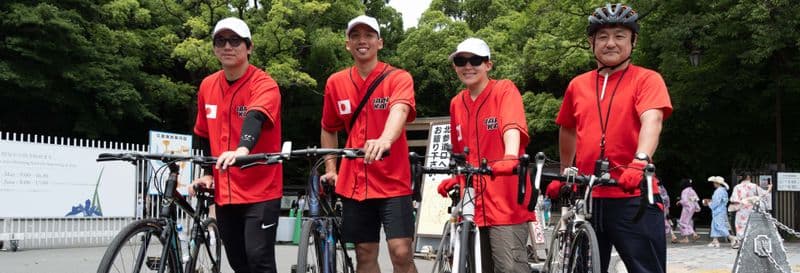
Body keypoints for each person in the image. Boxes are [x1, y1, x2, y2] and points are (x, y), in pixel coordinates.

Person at [545, 3, 673, 272]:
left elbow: (653, 119)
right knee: (582, 268)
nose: (610, 43)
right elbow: (567, 128)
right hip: (588, 194)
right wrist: (566, 170)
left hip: (633, 194)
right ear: (591, 42)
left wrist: (640, 161)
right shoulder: (577, 85)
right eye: (602, 36)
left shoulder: (647, 79)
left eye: (619, 36)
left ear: (633, 41)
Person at [319, 15, 417, 273]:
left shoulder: (398, 77)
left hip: (393, 180)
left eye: (369, 35)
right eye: (355, 36)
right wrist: (331, 168)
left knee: (401, 252)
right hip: (355, 183)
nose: (362, 41)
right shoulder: (335, 82)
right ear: (347, 45)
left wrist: (386, 138)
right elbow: (329, 128)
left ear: (380, 42)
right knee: (364, 254)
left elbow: (400, 109)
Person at [189, 17, 283, 273]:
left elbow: (255, 116)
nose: (227, 46)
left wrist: (242, 149)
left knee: (258, 258)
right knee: (238, 262)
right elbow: (203, 132)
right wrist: (208, 174)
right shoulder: (208, 85)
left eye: (234, 41)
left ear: (249, 47)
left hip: (261, 190)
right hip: (225, 191)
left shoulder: (264, 84)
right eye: (221, 41)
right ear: (214, 48)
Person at [436, 38, 535, 272]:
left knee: (508, 268)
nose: (468, 66)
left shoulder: (504, 90)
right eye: (461, 61)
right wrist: (456, 177)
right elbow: (460, 151)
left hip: (505, 198)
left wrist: (510, 156)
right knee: (476, 266)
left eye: (475, 60)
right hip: (472, 200)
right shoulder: (456, 104)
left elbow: (511, 126)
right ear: (455, 67)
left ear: (488, 65)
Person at [729, 173, 772, 249]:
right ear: (748, 177)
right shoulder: (754, 186)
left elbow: (733, 199)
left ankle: (740, 242)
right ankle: (751, 242)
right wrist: (769, 188)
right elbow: (763, 195)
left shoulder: (737, 187)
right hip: (752, 208)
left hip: (741, 208)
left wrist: (742, 201)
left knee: (740, 225)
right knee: (752, 224)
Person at [703, 176, 736, 247]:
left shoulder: (718, 191)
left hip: (718, 210)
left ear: (716, 183)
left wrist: (709, 203)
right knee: (714, 225)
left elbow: (716, 202)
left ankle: (731, 237)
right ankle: (715, 240)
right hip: (721, 210)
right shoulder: (723, 191)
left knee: (719, 225)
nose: (713, 184)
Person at [676, 178, 700, 243]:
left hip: (687, 208)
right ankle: (693, 234)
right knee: (687, 222)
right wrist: (697, 207)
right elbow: (695, 199)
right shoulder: (692, 190)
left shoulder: (684, 191)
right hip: (692, 207)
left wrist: (679, 202)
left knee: (682, 222)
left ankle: (687, 237)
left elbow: (684, 200)